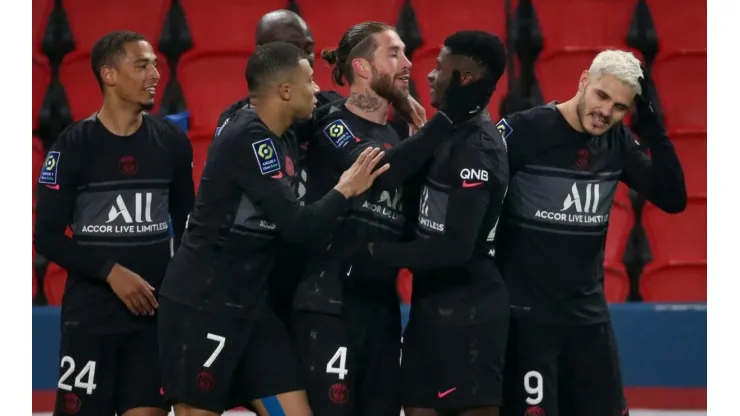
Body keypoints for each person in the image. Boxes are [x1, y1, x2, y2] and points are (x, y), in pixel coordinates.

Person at [157, 42, 389, 416]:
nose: (316, 90)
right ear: (285, 91)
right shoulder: (248, 138)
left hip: (253, 307)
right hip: (204, 303)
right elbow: (297, 225)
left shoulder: (284, 131)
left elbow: (335, 105)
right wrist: (346, 188)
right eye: (309, 81)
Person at [290, 22, 496, 416]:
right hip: (329, 305)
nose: (407, 63)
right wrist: (446, 118)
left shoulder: (405, 133)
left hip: (382, 310)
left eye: (405, 52)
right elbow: (383, 169)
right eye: (394, 53)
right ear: (363, 68)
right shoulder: (331, 121)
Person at [496, 50, 687, 416]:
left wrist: (652, 128)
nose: (606, 112)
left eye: (619, 107)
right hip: (528, 320)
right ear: (584, 80)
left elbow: (673, 197)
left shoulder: (617, 142)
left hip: (588, 320)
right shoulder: (525, 129)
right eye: (602, 96)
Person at [33, 31, 194, 416]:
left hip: (151, 323)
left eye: (155, 63)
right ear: (108, 74)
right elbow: (47, 237)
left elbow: (188, 225)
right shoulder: (73, 145)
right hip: (90, 320)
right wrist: (110, 272)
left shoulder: (171, 141)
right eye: (141, 65)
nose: (155, 73)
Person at [368, 30, 509, 416]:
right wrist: (444, 118)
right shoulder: (448, 132)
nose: (429, 76)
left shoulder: (478, 149)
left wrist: (376, 253)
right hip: (430, 306)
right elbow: (386, 175)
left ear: (464, 78)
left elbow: (456, 248)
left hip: (470, 314)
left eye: (440, 68)